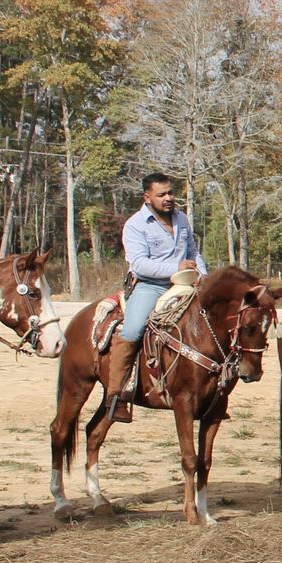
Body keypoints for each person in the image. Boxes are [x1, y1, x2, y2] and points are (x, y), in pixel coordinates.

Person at [103, 172, 200, 423]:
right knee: (133, 330)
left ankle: (215, 389)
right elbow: (139, 264)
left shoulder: (181, 219)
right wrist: (175, 268)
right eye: (161, 194)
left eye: (171, 192)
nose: (169, 198)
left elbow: (193, 253)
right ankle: (116, 396)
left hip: (186, 283)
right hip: (151, 286)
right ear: (147, 197)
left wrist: (204, 276)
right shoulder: (135, 225)